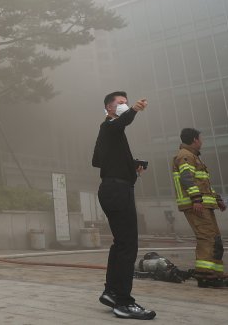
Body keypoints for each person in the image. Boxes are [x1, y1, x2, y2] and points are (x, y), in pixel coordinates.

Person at [92, 91, 155, 320]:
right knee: (128, 246)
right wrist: (134, 110)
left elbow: (97, 160)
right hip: (118, 191)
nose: (125, 105)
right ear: (109, 108)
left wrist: (131, 165)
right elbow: (122, 122)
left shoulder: (110, 133)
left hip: (112, 189)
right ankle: (124, 302)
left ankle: (111, 292)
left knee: (120, 245)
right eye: (120, 103)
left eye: (126, 103)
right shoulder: (110, 126)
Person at [171, 128, 228, 288]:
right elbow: (187, 179)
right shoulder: (185, 156)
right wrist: (196, 200)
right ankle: (206, 276)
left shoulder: (193, 157)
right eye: (200, 138)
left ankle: (215, 275)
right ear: (195, 140)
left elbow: (203, 183)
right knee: (207, 238)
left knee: (214, 239)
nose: (202, 141)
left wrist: (217, 199)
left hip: (204, 204)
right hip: (197, 205)